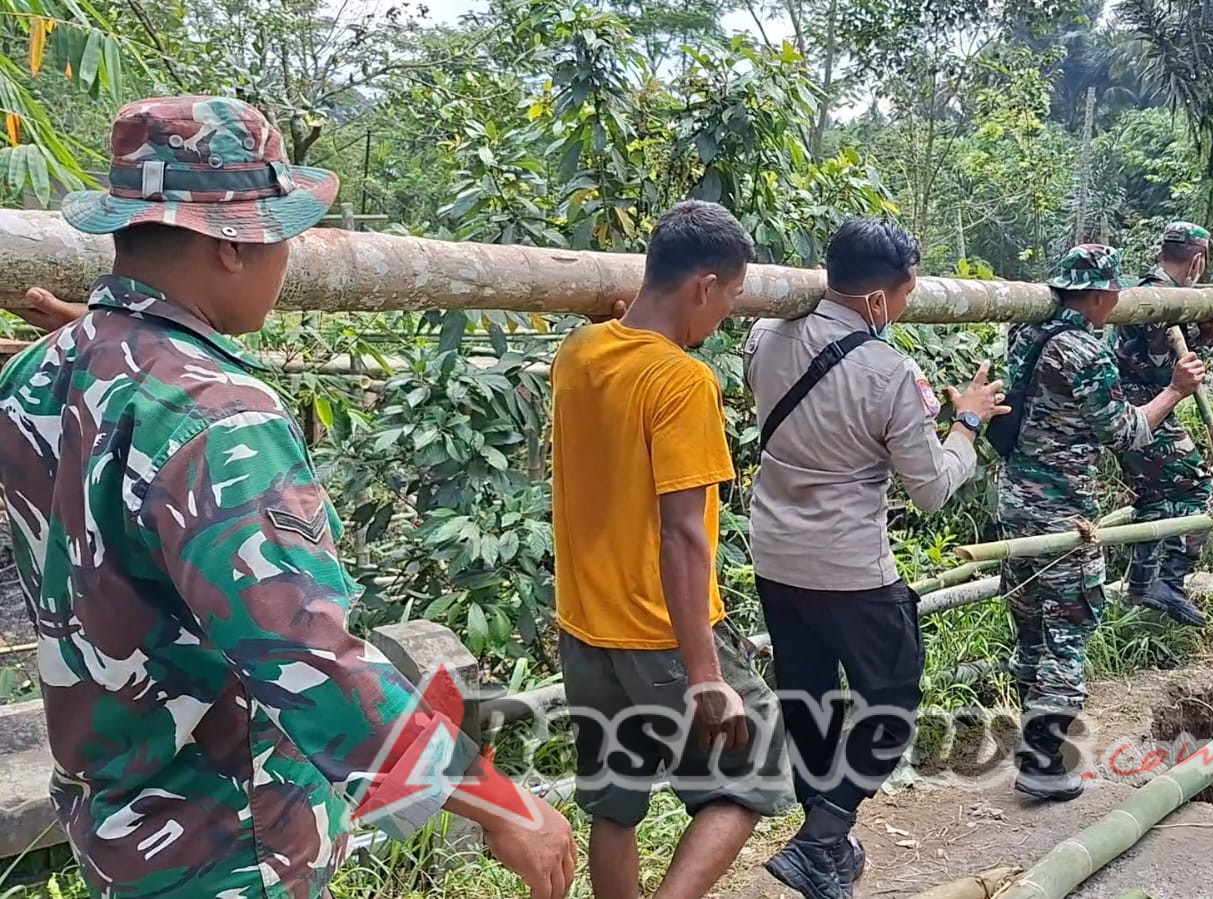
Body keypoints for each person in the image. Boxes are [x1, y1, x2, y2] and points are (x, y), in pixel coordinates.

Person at [0, 96, 576, 899]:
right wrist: (500, 803)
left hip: (114, 826)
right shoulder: (218, 412)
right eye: (283, 233)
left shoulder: (38, 372)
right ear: (234, 242)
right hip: (229, 842)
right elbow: (307, 656)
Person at [743, 217, 1007, 899]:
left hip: (775, 552)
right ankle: (821, 838)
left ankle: (823, 850)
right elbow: (929, 489)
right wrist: (966, 424)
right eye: (910, 286)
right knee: (892, 694)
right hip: (850, 567)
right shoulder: (889, 371)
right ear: (881, 298)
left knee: (807, 695)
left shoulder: (763, 335)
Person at [551, 199, 793, 899]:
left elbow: (615, 326)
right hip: (659, 631)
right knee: (757, 764)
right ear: (702, 286)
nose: (724, 316)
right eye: (731, 297)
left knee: (615, 802)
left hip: (584, 628)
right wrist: (706, 672)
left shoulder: (579, 351)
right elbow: (684, 533)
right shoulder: (683, 381)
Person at [999, 244, 1206, 801]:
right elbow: (1125, 433)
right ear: (1098, 295)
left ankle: (1032, 748)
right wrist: (1175, 391)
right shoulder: (1083, 352)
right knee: (1067, 633)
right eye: (1113, 292)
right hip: (1064, 512)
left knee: (1032, 629)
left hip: (1016, 505)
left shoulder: (1027, 335)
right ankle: (1045, 766)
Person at [1112, 222, 1213, 627]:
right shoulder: (1163, 299)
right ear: (1198, 260)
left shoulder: (1153, 291)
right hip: (1146, 409)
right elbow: (1164, 367)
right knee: (1198, 484)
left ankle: (1143, 588)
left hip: (1132, 406)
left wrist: (1205, 334)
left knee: (1153, 496)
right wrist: (1202, 337)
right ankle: (1170, 580)